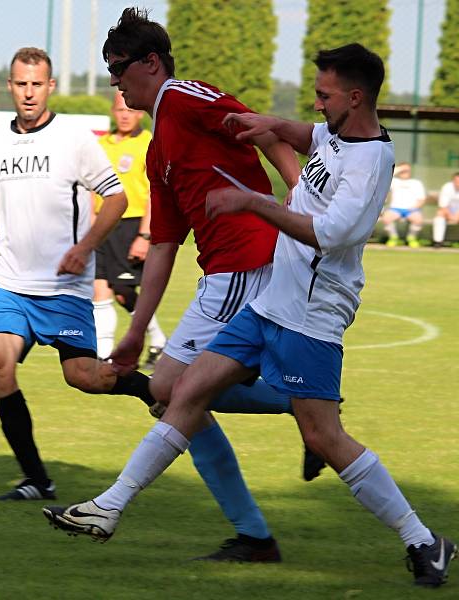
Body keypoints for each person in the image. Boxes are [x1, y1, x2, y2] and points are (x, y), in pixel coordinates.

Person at [44, 42, 456, 588]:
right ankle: (109, 507)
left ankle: (423, 539)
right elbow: (308, 145)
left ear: (355, 99)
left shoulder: (371, 162)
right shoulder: (336, 134)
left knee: (325, 438)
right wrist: (272, 127)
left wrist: (249, 202)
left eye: (324, 95)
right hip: (268, 303)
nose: (316, 103)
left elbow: (329, 235)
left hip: (309, 315)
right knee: (183, 392)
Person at [47, 8, 311, 562]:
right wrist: (134, 332)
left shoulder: (186, 97)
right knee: (170, 393)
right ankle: (258, 523)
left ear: (151, 62)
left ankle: (302, 413)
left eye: (119, 67)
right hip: (222, 271)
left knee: (170, 391)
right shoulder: (159, 147)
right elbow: (164, 247)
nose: (115, 81)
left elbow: (262, 129)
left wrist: (299, 192)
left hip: (249, 262)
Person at [0, 47, 160, 501]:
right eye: (20, 84)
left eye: (37, 84)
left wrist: (84, 249)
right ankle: (36, 479)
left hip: (64, 288)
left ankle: (152, 391)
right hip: (9, 282)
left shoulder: (73, 138)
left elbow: (114, 197)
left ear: (49, 87)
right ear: (9, 87)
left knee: (84, 376)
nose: (28, 93)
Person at [92, 90, 166, 366]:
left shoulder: (148, 143)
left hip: (131, 224)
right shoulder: (101, 144)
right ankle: (103, 356)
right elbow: (91, 190)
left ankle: (158, 341)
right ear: (113, 111)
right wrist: (89, 231)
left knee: (124, 291)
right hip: (102, 225)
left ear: (139, 112)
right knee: (100, 289)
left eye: (130, 110)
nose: (125, 115)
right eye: (120, 110)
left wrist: (144, 235)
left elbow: (153, 194)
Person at [382, 162, 426, 248]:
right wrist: (400, 169)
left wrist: (414, 208)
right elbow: (385, 177)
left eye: (407, 170)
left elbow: (421, 200)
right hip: (395, 209)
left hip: (411, 209)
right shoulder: (393, 181)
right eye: (403, 171)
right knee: (386, 218)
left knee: (418, 220)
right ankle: (393, 238)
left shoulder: (416, 183)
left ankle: (411, 238)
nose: (405, 172)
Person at [432, 172, 459, 248]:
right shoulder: (447, 187)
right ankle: (438, 242)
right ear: (453, 181)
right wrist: (451, 216)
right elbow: (443, 206)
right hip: (448, 213)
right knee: (439, 216)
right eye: (456, 181)